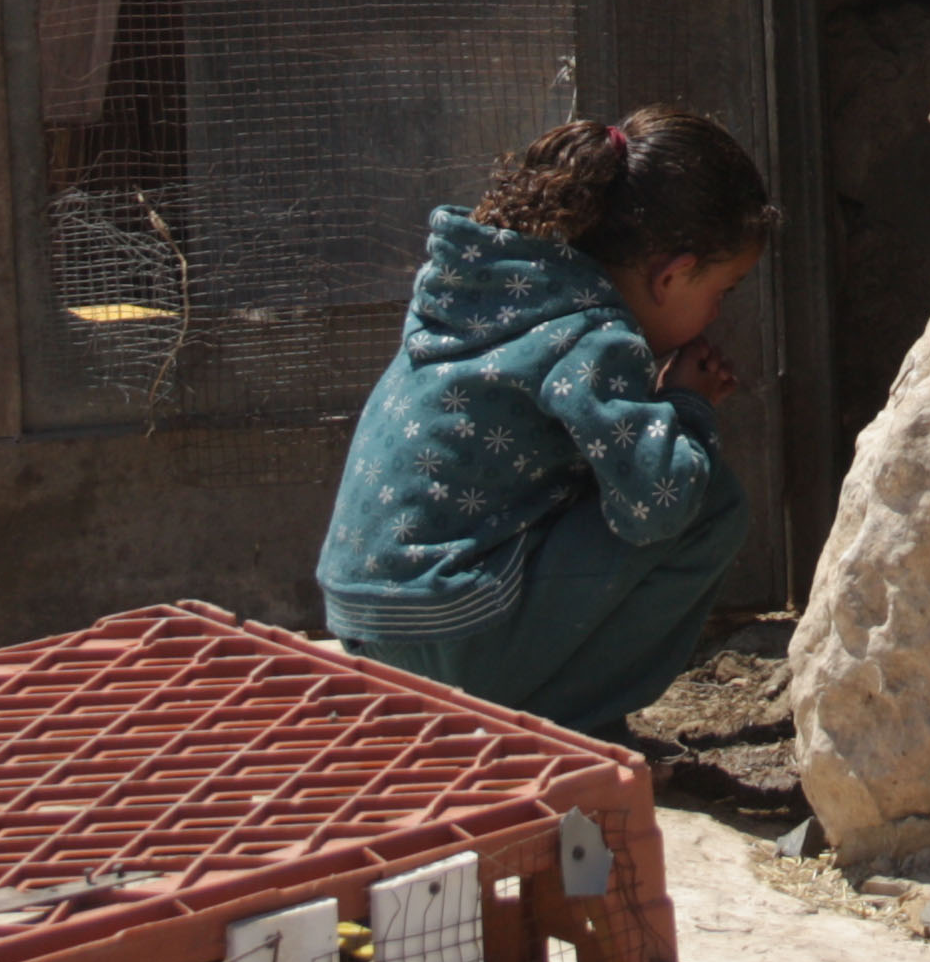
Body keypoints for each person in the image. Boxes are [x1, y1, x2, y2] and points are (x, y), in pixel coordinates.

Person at [320, 105, 774, 737]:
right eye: (721, 291)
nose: (719, 312)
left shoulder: (482, 288)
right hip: (448, 638)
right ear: (671, 275)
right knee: (709, 503)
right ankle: (558, 725)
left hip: (368, 625)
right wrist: (686, 408)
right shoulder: (591, 333)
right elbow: (657, 505)